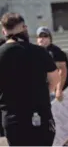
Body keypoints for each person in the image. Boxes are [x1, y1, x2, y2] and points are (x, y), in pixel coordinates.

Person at [0, 12, 59, 145]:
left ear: (4, 31)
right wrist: (45, 92)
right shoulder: (39, 52)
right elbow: (55, 78)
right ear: (24, 28)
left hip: (13, 119)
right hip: (39, 116)